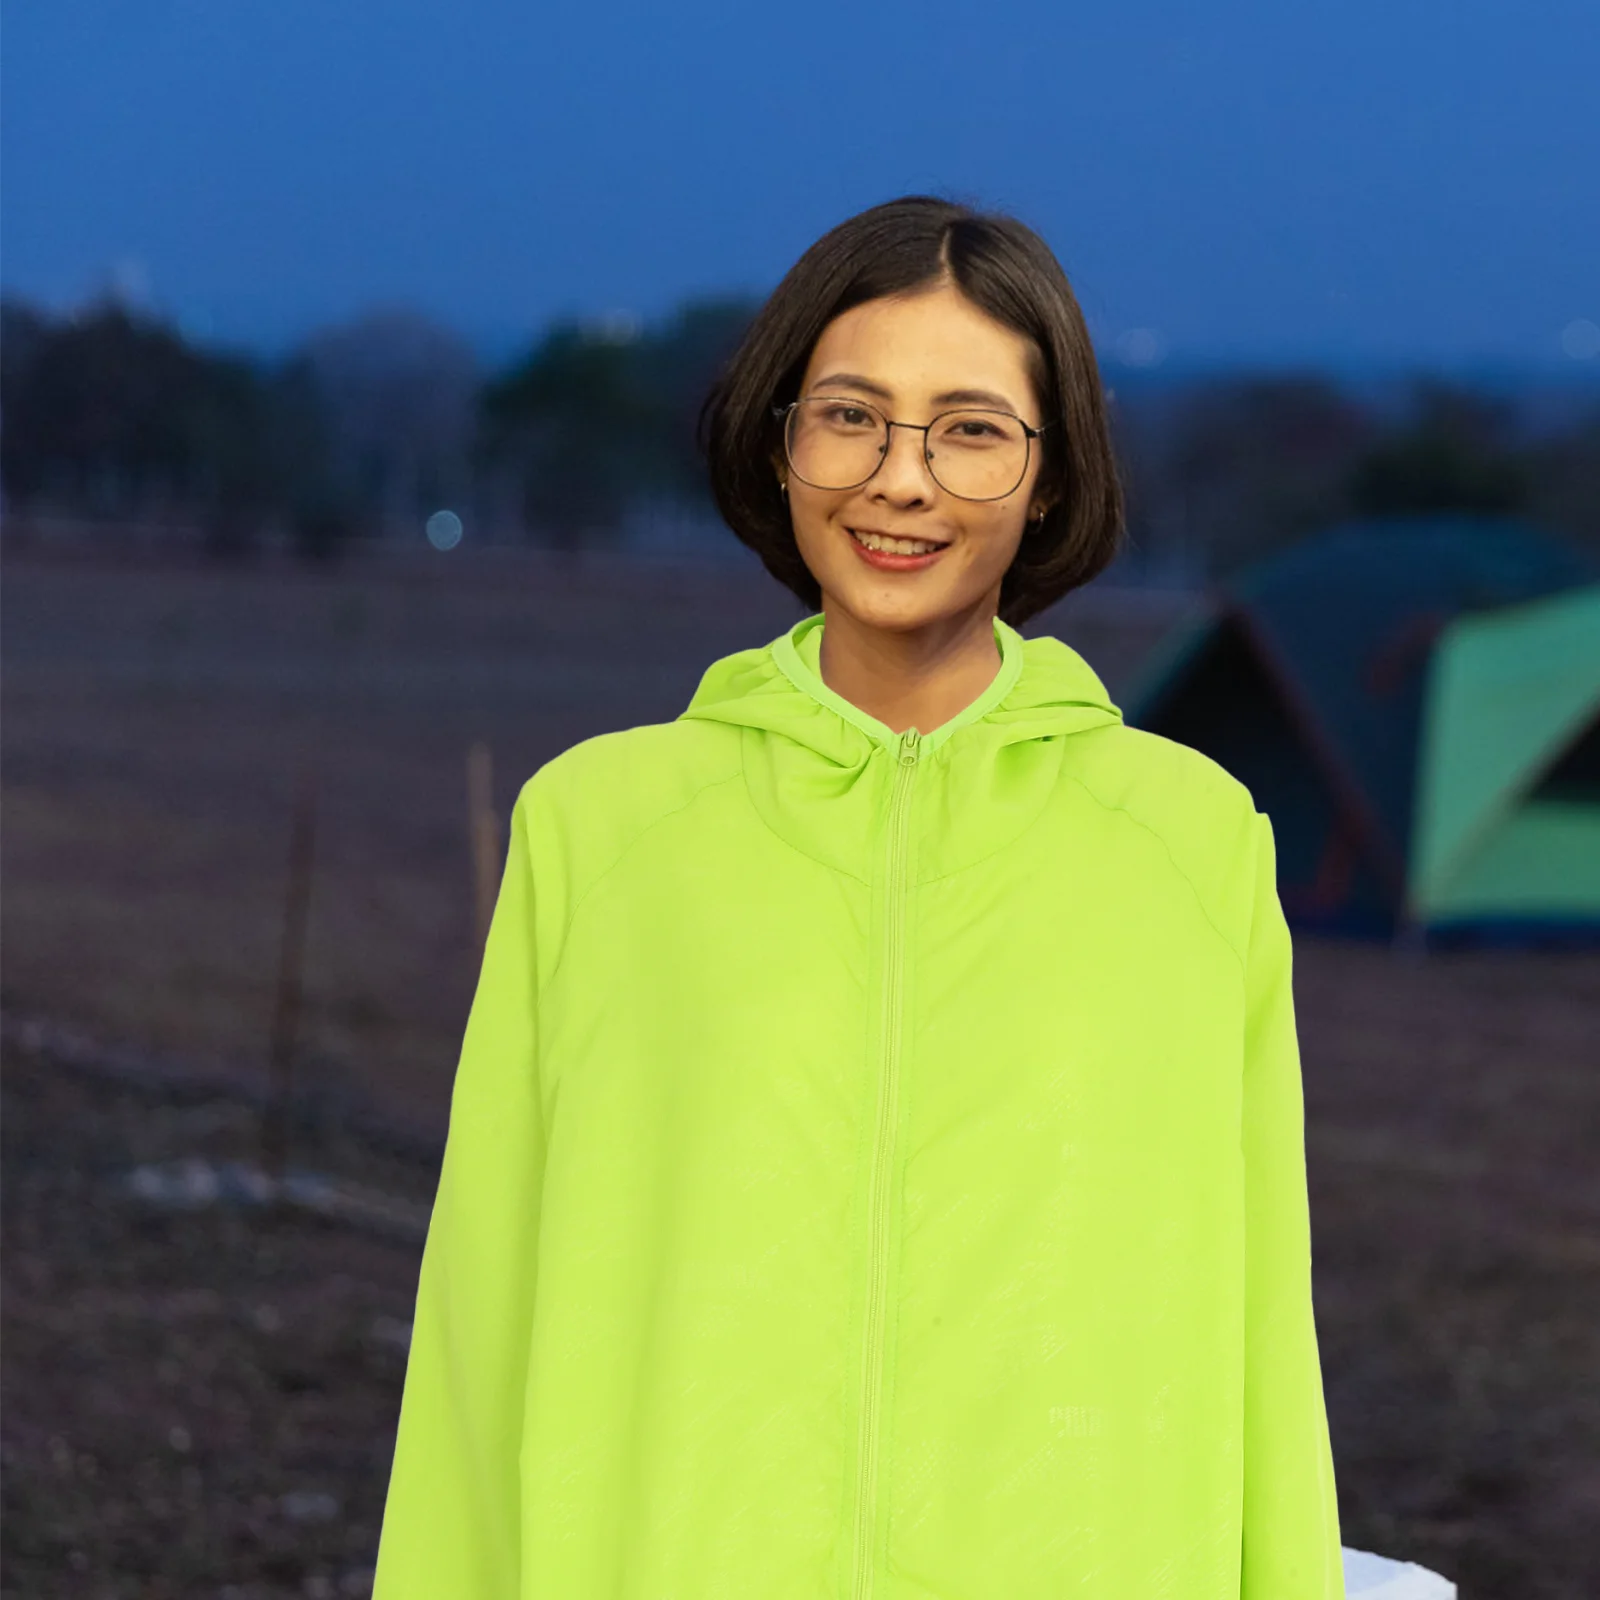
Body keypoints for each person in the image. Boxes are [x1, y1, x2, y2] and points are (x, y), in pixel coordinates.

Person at [372, 195, 1346, 1598]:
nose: (902, 479)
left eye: (970, 428)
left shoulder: (1192, 848)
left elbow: (1265, 1347)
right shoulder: (599, 829)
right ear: (780, 448)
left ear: (1054, 476)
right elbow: (480, 1331)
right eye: (851, 416)